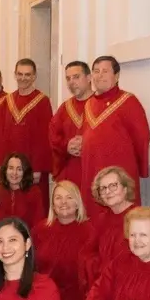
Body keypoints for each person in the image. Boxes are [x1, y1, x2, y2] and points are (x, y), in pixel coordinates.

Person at [79, 56, 150, 218]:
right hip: (91, 171)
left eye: (105, 71)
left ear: (117, 76)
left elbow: (142, 137)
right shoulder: (89, 104)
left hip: (119, 173)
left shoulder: (128, 101)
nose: (100, 75)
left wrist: (140, 170)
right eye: (96, 71)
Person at [30, 180, 95, 300]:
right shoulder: (40, 229)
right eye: (58, 198)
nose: (63, 202)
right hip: (43, 298)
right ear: (53, 204)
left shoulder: (89, 232)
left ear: (77, 203)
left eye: (69, 197)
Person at [0, 58, 52, 208]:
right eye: (20, 74)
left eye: (27, 75)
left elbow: (45, 138)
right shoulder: (8, 100)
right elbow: (1, 135)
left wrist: (38, 168)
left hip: (32, 167)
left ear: (34, 76)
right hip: (11, 168)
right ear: (15, 75)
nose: (23, 78)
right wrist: (0, 165)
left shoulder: (42, 101)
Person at [50, 61, 93, 204]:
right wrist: (66, 146)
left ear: (89, 78)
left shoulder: (100, 104)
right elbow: (53, 136)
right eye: (68, 78)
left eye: (76, 77)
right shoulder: (65, 108)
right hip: (70, 172)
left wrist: (88, 144)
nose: (71, 82)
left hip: (93, 171)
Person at [0, 152, 45, 226]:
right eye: (11, 168)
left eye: (19, 169)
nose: (14, 173)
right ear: (5, 170)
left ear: (25, 172)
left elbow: (38, 223)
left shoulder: (34, 192)